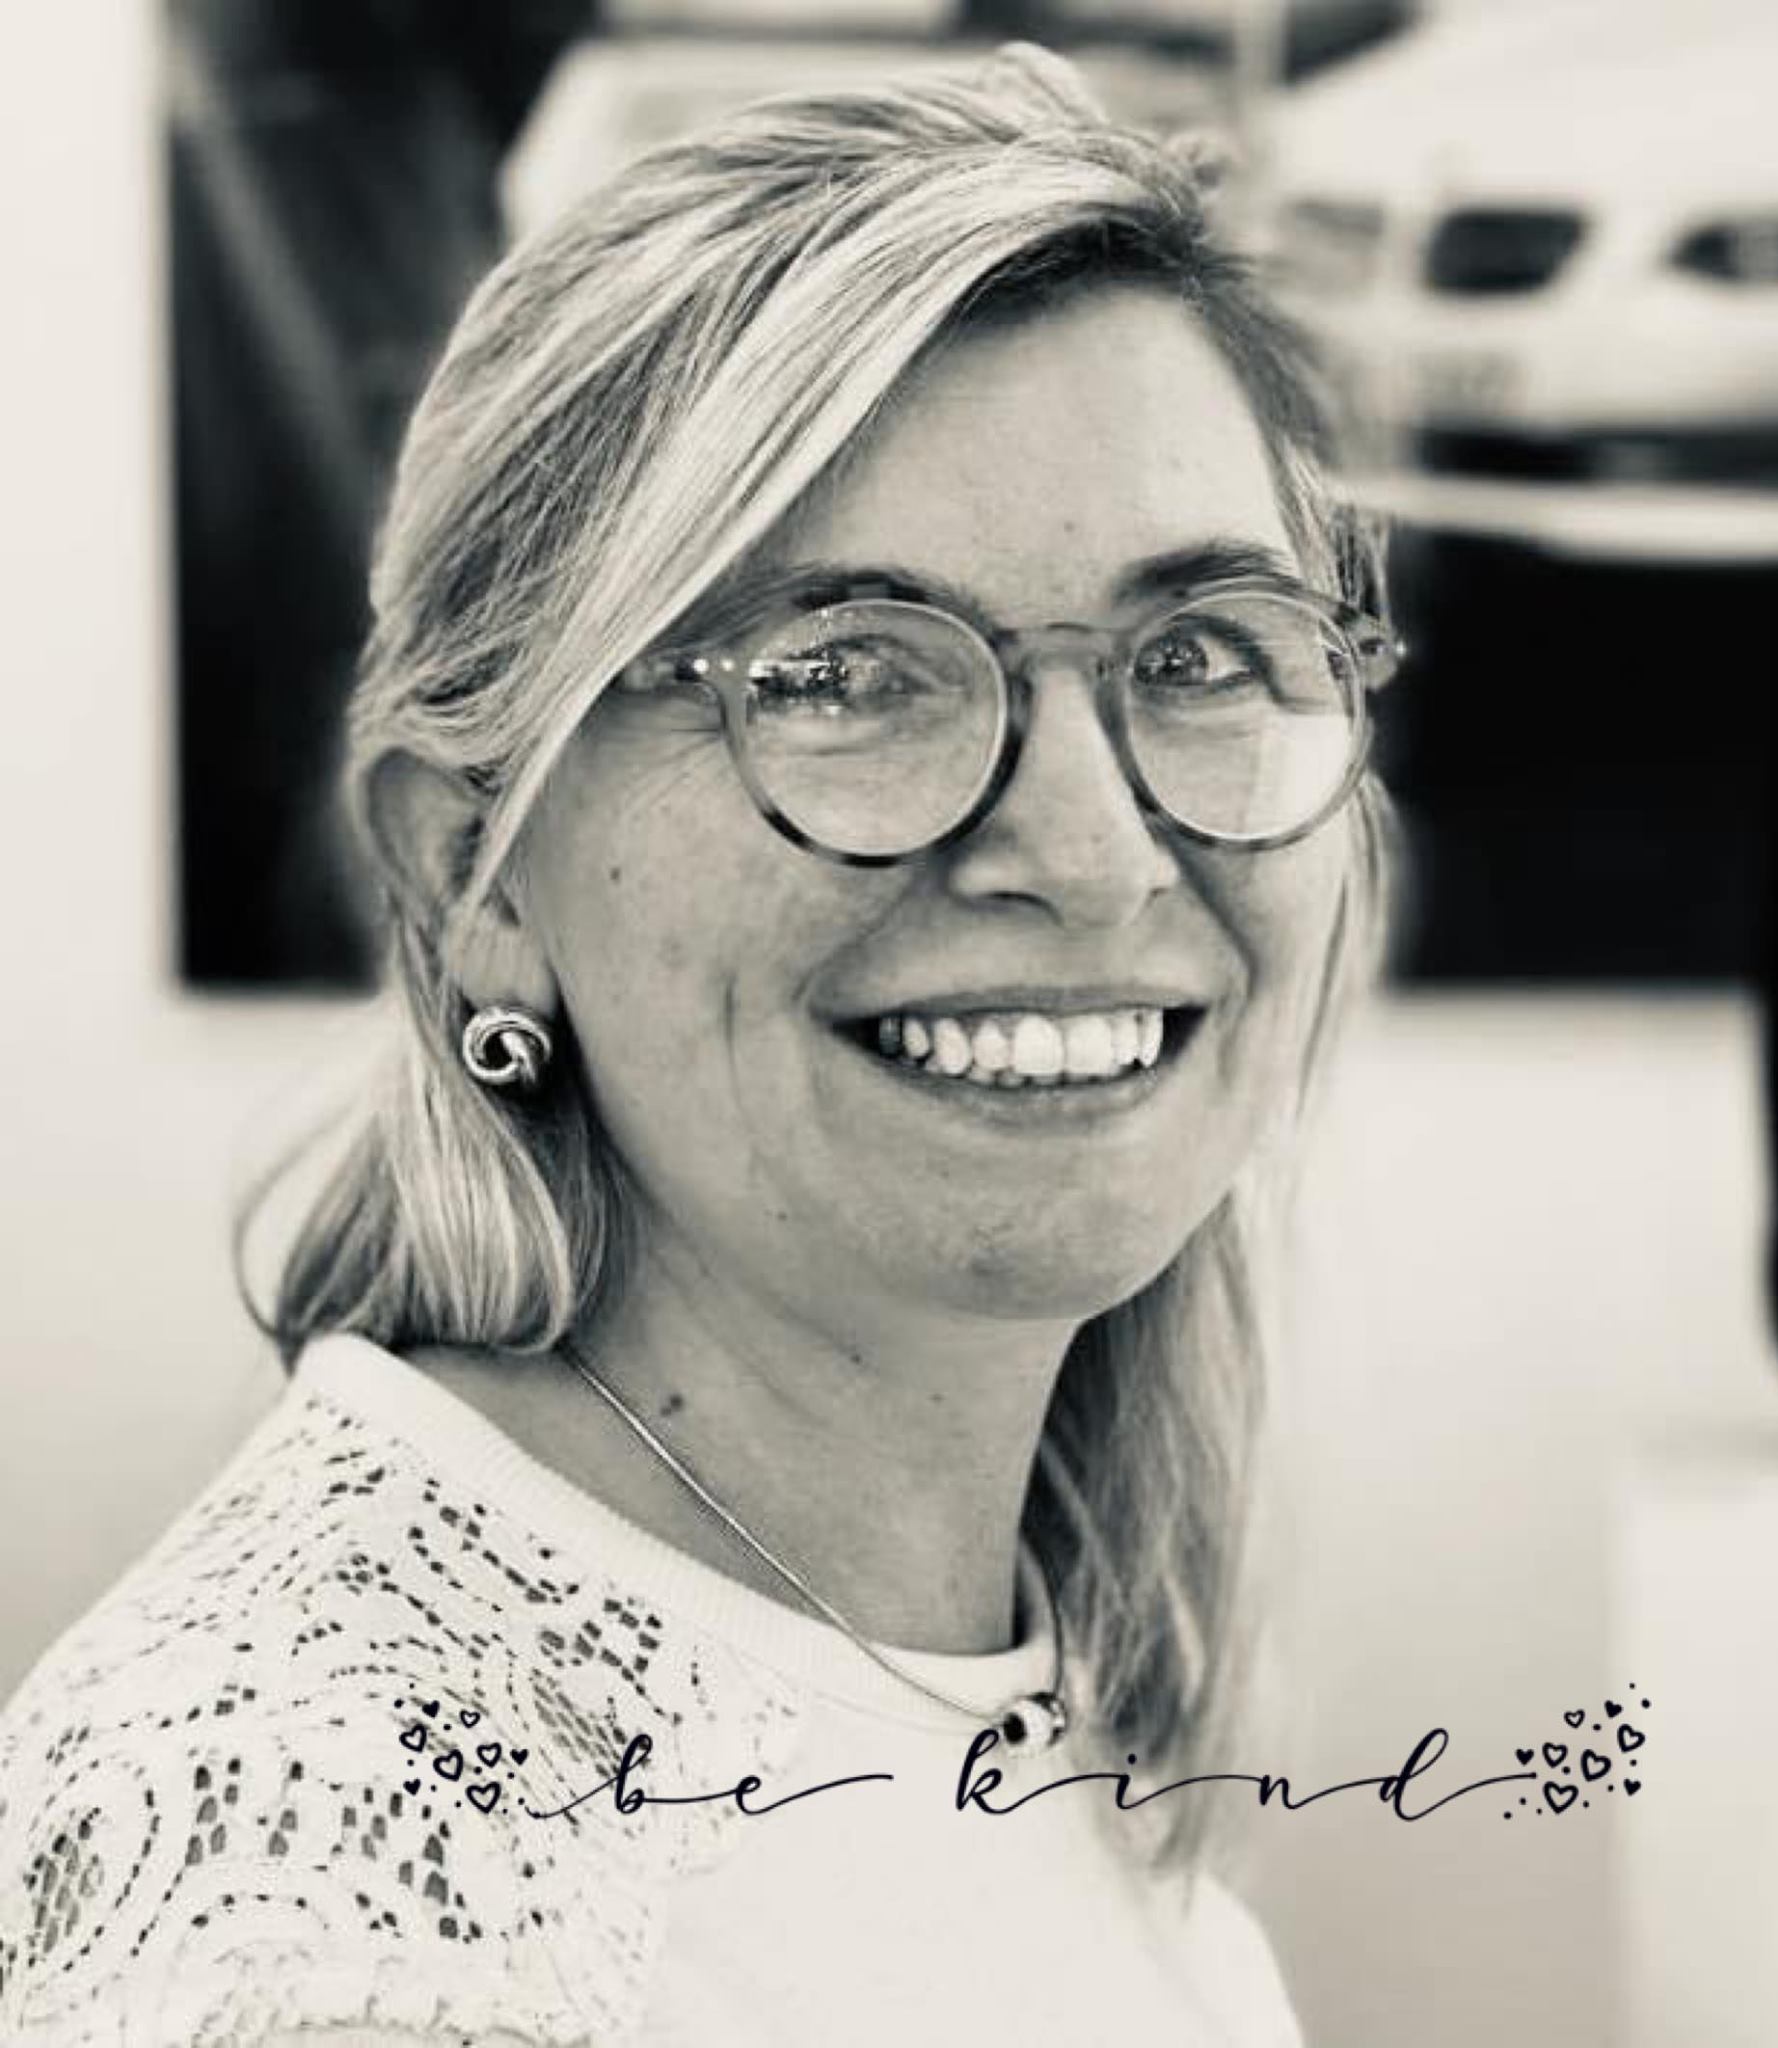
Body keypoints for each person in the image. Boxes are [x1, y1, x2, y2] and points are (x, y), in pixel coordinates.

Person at [0, 43, 1395, 2045]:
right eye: (845, 675)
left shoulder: (988, 1667)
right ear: (474, 871)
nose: (1093, 852)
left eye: (1197, 656)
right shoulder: (330, 1897)